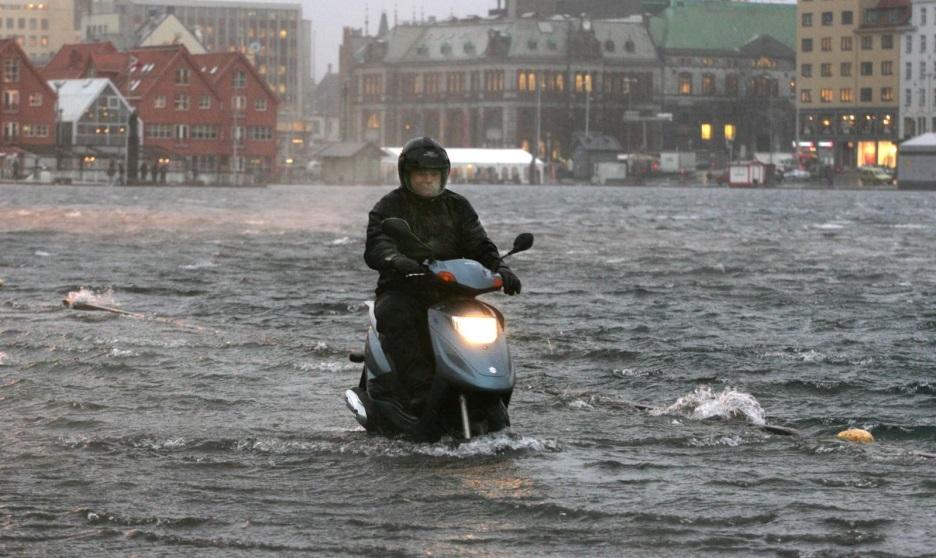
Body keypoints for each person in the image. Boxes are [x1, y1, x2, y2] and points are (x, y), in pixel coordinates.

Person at [364, 137, 522, 413]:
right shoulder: (389, 206)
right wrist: (396, 260)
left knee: (492, 318)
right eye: (421, 174)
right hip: (405, 288)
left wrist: (501, 269)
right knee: (397, 315)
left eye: (433, 174)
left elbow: (479, 243)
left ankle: (494, 385)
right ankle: (419, 390)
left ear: (443, 176)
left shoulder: (458, 206)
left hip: (454, 290)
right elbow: (378, 243)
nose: (427, 180)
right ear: (406, 175)